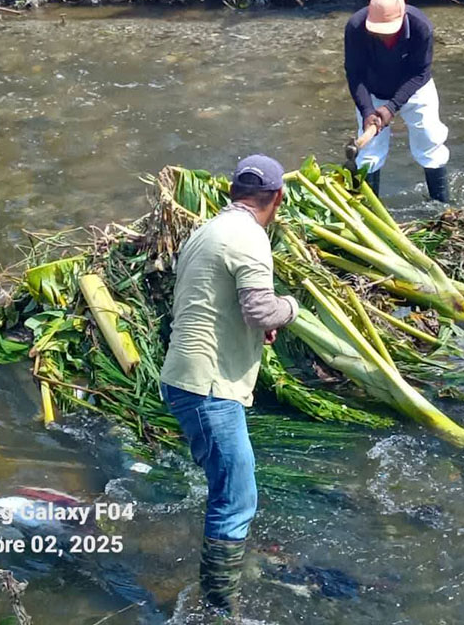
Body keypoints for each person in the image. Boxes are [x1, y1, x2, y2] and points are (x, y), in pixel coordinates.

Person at [159, 154, 299, 617]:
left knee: (226, 487)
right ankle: (221, 611)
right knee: (237, 498)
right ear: (276, 198)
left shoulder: (206, 232)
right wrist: (289, 309)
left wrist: (256, 324)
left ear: (231, 193)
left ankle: (219, 593)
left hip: (186, 379)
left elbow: (215, 303)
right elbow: (261, 310)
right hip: (209, 387)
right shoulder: (250, 237)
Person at [344, 0, 450, 202]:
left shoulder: (421, 27)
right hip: (373, 91)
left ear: (402, 17)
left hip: (415, 89)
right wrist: (367, 111)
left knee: (429, 140)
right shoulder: (355, 27)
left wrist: (392, 107)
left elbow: (420, 73)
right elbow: (355, 73)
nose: (383, 34)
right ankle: (369, 211)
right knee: (370, 153)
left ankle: (443, 207)